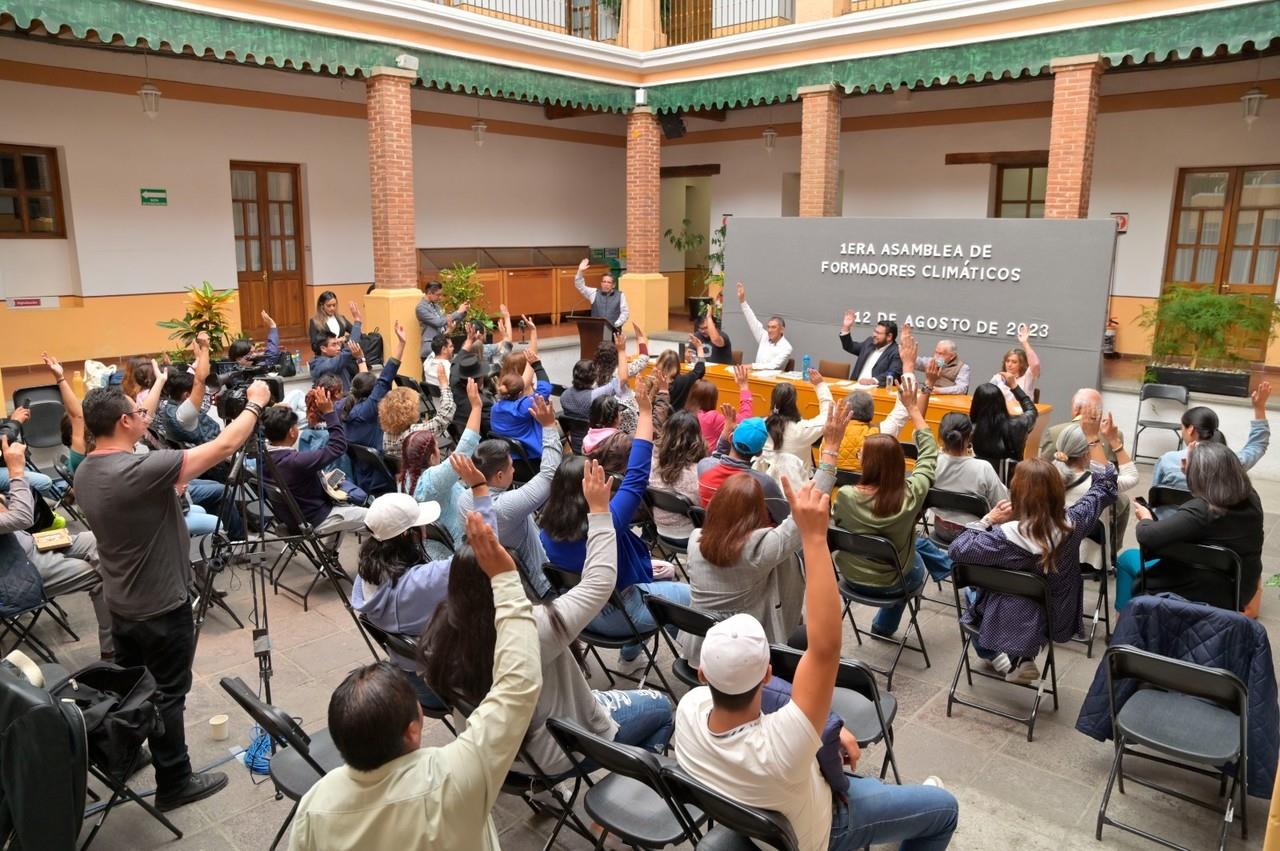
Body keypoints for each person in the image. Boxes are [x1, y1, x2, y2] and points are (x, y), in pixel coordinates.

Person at [673, 478, 959, 851]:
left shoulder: (689, 709)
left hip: (758, 815)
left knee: (874, 790)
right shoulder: (785, 743)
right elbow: (825, 648)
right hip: (822, 829)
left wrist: (825, 723)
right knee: (944, 809)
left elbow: (801, 675)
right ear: (767, 672)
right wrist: (814, 538)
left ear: (702, 673)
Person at [74, 380, 274, 810]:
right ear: (124, 421)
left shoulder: (86, 471)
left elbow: (133, 510)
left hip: (121, 603)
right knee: (168, 693)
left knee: (131, 690)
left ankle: (126, 755)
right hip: (160, 605)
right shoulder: (137, 469)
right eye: (139, 412)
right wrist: (255, 405)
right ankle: (175, 780)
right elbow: (223, 446)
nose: (145, 417)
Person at [289, 513, 541, 851]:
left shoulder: (316, 803)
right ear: (412, 729)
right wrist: (507, 580)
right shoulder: (455, 776)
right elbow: (516, 687)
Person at [427, 459, 673, 776]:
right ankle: (626, 790)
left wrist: (479, 491)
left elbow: (485, 558)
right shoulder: (532, 627)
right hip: (559, 751)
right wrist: (599, 511)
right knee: (663, 706)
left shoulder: (441, 630)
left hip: (498, 757)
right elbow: (598, 582)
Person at [540, 382, 691, 672]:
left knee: (663, 580)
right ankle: (691, 661)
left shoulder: (543, 532)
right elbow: (636, 474)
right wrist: (645, 412)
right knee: (693, 598)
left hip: (581, 618)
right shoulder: (605, 524)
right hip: (622, 616)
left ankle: (632, 658)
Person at [683, 405, 847, 665]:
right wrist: (831, 449)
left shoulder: (695, 540)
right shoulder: (760, 549)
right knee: (807, 638)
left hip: (698, 652)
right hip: (741, 659)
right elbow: (803, 515)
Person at [948, 453, 1117, 683]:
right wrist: (1095, 440)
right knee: (1031, 591)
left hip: (1006, 615)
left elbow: (958, 548)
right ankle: (1021, 658)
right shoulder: (1074, 525)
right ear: (1058, 493)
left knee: (972, 591)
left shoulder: (1000, 539)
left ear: (1016, 494)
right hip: (1054, 615)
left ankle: (999, 655)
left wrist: (989, 519)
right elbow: (1103, 488)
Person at [354, 454, 495, 711]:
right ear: (410, 535)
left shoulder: (365, 575)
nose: (426, 530)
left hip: (410, 676)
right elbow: (485, 552)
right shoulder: (422, 581)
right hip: (442, 683)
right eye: (420, 526)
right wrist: (480, 489)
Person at [831, 384, 950, 637]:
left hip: (850, 576)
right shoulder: (911, 493)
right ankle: (883, 626)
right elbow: (929, 455)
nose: (858, 452)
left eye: (862, 453)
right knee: (913, 548)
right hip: (894, 583)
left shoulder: (845, 495)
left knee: (906, 543)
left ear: (869, 463)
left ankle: (947, 568)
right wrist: (912, 409)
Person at [1118, 441, 1264, 615]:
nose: (1182, 464)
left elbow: (1146, 535)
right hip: (1237, 590)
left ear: (1199, 475)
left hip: (1194, 586)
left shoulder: (1203, 510)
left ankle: (1125, 624)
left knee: (1126, 558)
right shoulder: (1251, 498)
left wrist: (1146, 518)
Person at [0, 434, 112, 659]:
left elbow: (11, 513)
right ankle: (114, 652)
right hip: (16, 572)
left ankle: (132, 613)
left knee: (102, 539)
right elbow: (22, 517)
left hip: (27, 545)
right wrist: (16, 471)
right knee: (103, 577)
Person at [459, 400, 562, 599]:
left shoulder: (464, 499)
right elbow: (550, 475)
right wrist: (549, 426)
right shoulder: (506, 506)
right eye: (510, 466)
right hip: (537, 589)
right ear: (499, 476)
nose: (514, 469)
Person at [261, 396, 368, 536]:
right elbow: (338, 446)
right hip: (317, 518)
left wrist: (322, 479)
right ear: (292, 432)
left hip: (294, 518)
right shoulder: (295, 461)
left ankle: (330, 555)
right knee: (379, 517)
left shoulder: (264, 456)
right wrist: (329, 412)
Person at [400, 380, 483, 554]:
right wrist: (476, 407)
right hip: (461, 547)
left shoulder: (404, 479)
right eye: (438, 448)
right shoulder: (432, 482)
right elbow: (465, 447)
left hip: (430, 546)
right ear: (432, 457)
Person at [1151, 382, 1271, 490]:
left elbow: (1155, 495)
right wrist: (1259, 407)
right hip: (1215, 515)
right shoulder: (1232, 461)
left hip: (1172, 514)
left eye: (1182, 427)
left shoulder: (1168, 460)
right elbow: (1257, 445)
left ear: (1191, 429)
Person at [698, 409, 789, 525]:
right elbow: (783, 517)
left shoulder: (704, 466)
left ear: (731, 438)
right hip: (747, 541)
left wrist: (725, 432)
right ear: (758, 453)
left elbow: (716, 458)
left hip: (711, 534)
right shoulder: (764, 484)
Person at [929, 412, 1008, 544]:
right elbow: (1002, 503)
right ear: (970, 436)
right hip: (975, 535)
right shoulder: (983, 468)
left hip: (940, 529)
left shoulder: (931, 463)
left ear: (941, 435)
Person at [755, 369, 832, 487]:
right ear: (794, 402)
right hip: (799, 493)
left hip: (765, 490)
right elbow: (829, 415)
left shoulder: (759, 426)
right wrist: (820, 385)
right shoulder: (803, 430)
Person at [341, 320, 407, 451]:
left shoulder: (345, 406)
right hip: (375, 469)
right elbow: (385, 378)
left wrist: (361, 359)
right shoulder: (367, 411)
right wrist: (402, 343)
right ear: (372, 392)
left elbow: (364, 382)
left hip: (359, 467)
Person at [648, 410, 708, 542]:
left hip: (660, 529)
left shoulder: (652, 462)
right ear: (697, 438)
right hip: (689, 535)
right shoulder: (698, 472)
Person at [379, 367, 455, 462]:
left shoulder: (386, 434)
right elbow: (445, 416)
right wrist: (444, 386)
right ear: (410, 411)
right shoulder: (413, 434)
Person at [490, 345, 553, 459]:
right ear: (520, 393)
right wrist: (538, 366)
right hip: (532, 460)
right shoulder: (521, 408)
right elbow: (545, 390)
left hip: (508, 459)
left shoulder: (494, 408)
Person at [969, 379, 1037, 478]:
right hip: (1012, 479)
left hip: (980, 478)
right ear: (1001, 401)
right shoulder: (1018, 423)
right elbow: (1032, 411)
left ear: (975, 404)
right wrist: (1015, 387)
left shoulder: (970, 427)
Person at [688, 364, 754, 450]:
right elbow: (746, 420)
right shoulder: (711, 418)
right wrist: (744, 387)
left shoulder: (684, 414)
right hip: (706, 460)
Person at [735, 282, 793, 369]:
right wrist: (742, 301)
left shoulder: (787, 347)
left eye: (773, 327)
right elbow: (752, 320)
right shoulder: (764, 336)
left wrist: (751, 366)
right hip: (754, 377)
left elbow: (773, 366)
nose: (769, 330)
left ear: (781, 329)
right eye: (768, 327)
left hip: (772, 381)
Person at [839, 309, 903, 387]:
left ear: (889, 337)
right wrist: (846, 327)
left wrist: (873, 380)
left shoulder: (896, 351)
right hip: (855, 387)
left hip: (876, 391)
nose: (874, 335)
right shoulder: (869, 342)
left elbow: (893, 372)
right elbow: (849, 346)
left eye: (878, 333)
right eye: (874, 331)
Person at [311, 304, 366, 391]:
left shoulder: (336, 358)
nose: (338, 348)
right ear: (323, 349)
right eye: (334, 344)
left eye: (338, 344)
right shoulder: (320, 365)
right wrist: (357, 322)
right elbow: (348, 351)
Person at [415, 281, 468, 360]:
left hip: (442, 348)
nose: (440, 297)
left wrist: (462, 313)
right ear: (429, 293)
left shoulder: (437, 306)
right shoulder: (421, 308)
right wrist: (458, 312)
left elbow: (446, 323)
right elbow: (438, 322)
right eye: (438, 294)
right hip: (430, 349)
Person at [990, 324, 1041, 406]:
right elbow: (988, 395)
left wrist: (1025, 343)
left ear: (1022, 364)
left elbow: (1035, 364)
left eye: (1014, 362)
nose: (1009, 364)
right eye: (1007, 361)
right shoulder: (998, 377)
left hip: (1021, 415)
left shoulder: (1028, 377)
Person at [574, 257, 629, 329]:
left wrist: (616, 324)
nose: (606, 284)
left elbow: (625, 313)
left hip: (614, 330)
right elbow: (580, 285)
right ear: (601, 283)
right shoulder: (594, 293)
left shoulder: (620, 295)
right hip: (596, 330)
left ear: (613, 285)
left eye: (609, 282)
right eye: (604, 282)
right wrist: (580, 271)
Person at [559, 358, 620, 423]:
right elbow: (617, 383)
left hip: (572, 432)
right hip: (592, 432)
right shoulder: (593, 396)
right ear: (594, 376)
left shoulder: (564, 395)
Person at [828, 392, 875, 471]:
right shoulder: (875, 435)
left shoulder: (831, 431)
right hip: (862, 481)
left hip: (831, 480)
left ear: (846, 410)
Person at [654, 347, 703, 413]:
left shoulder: (653, 380)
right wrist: (699, 348)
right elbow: (700, 369)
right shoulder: (684, 380)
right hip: (678, 420)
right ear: (677, 363)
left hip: (657, 419)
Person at [308, 290, 356, 355]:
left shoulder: (342, 319)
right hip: (326, 358)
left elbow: (357, 333)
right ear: (322, 306)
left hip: (342, 356)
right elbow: (314, 346)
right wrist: (328, 344)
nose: (332, 308)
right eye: (329, 306)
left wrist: (345, 338)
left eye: (334, 305)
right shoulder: (314, 321)